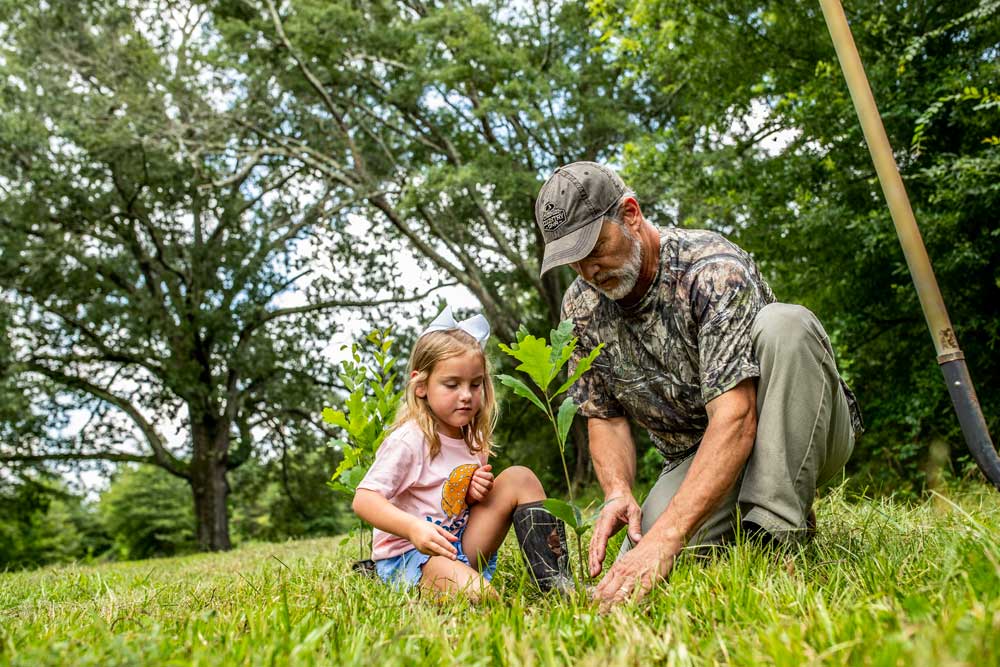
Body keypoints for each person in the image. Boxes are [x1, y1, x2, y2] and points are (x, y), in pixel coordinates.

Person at [534, 161, 863, 610]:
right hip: (697, 456)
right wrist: (618, 491)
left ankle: (777, 535)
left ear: (630, 213)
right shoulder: (581, 308)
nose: (588, 269)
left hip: (798, 425)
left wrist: (667, 537)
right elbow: (604, 417)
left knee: (787, 324)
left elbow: (738, 417)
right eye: (572, 258)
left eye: (594, 246)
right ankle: (736, 520)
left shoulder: (710, 269)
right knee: (643, 560)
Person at [352, 306, 573, 600]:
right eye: (452, 384)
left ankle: (558, 583)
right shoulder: (409, 440)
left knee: (520, 478)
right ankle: (420, 579)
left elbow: (448, 500)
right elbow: (364, 499)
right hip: (413, 554)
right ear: (421, 386)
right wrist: (413, 529)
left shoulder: (472, 438)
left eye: (475, 384)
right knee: (484, 598)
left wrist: (471, 495)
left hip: (458, 544)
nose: (466, 395)